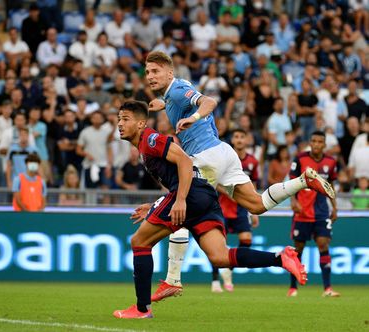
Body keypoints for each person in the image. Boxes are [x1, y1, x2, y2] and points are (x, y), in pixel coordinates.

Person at [144, 51, 334, 302]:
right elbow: (182, 100)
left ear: (170, 72)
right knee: (257, 205)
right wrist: (164, 104)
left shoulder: (178, 90)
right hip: (224, 152)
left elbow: (209, 102)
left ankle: (173, 280)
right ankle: (303, 182)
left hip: (206, 156)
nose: (150, 76)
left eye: (155, 71)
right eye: (147, 72)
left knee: (181, 209)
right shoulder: (175, 93)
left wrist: (193, 117)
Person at [113, 101, 306, 319]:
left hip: (191, 194)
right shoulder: (144, 145)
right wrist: (158, 205)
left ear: (140, 123)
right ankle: (281, 258)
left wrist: (180, 200)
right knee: (220, 257)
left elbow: (185, 162)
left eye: (125, 119)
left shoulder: (150, 139)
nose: (120, 124)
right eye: (119, 119)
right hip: (204, 195)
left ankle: (142, 309)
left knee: (139, 242)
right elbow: (177, 175)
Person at [288, 131, 339, 298]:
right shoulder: (300, 159)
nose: (316, 144)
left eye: (320, 142)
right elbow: (292, 182)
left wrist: (335, 207)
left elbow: (330, 184)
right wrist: (293, 201)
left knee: (323, 245)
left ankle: (328, 288)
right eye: (314, 141)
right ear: (310, 142)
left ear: (324, 144)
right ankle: (293, 287)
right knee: (298, 250)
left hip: (321, 213)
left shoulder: (331, 162)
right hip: (302, 212)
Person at [211, 128, 260, 293]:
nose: (239, 140)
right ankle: (215, 281)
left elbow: (254, 187)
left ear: (247, 140)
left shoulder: (252, 162)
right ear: (232, 140)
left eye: (242, 137)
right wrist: (229, 193)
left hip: (241, 207)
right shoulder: (225, 158)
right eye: (236, 137)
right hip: (223, 206)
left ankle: (228, 270)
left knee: (246, 240)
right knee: (218, 245)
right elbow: (215, 181)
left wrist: (253, 211)